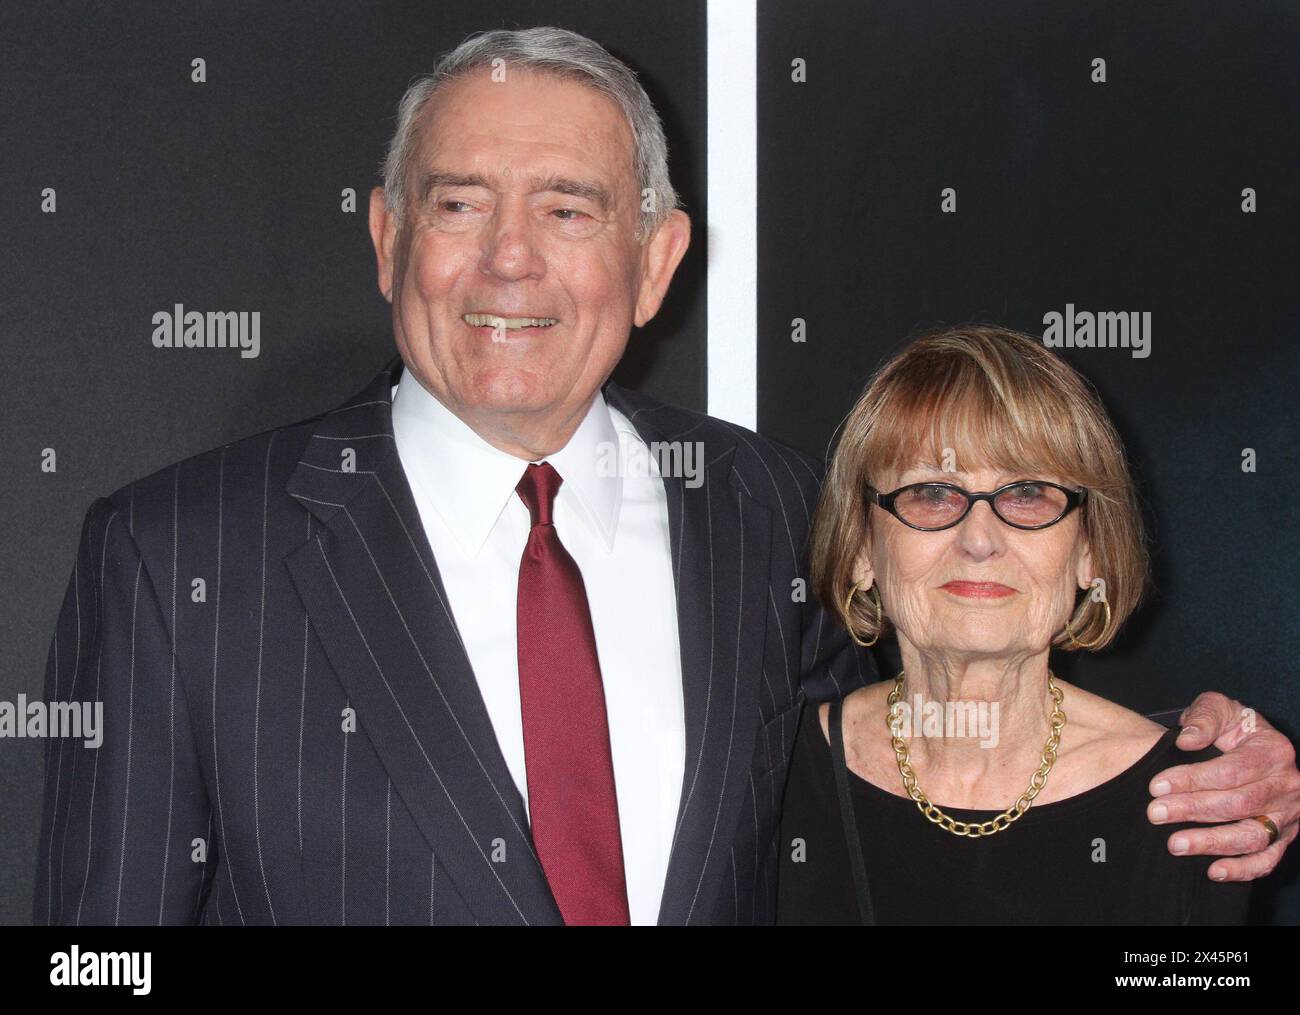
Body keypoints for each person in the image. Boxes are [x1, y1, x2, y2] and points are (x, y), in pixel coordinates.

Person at [33, 28, 1298, 927]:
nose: (509, 261)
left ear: (656, 261)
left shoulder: (767, 513)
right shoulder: (174, 557)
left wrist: (1222, 766)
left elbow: (933, 778)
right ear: (386, 237)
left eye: (571, 210)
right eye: (461, 204)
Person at [778, 325, 1257, 923]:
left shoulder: (1190, 803)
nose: (980, 540)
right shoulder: (771, 772)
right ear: (860, 548)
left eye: (1028, 492)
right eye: (933, 493)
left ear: (1090, 551)